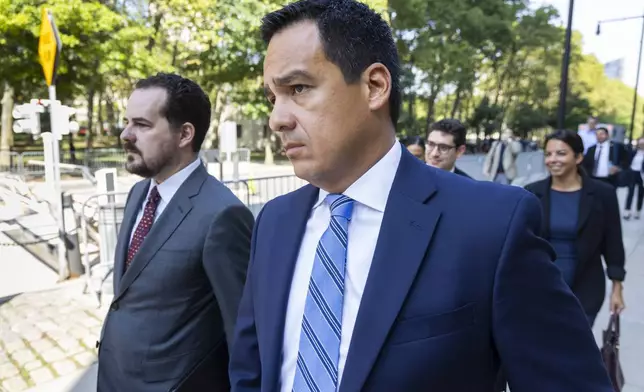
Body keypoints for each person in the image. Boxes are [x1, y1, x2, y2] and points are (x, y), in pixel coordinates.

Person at [229, 1, 613, 391]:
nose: (277, 119)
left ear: (374, 86)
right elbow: (250, 370)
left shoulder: (491, 226)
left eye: (298, 88)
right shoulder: (273, 222)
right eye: (272, 98)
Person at [97, 73, 254, 392]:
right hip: (113, 377)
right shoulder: (138, 194)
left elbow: (243, 331)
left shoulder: (222, 214)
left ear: (184, 134)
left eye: (141, 124)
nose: (125, 134)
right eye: (127, 122)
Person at [525, 130, 626, 327]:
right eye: (548, 154)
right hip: (540, 286)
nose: (553, 160)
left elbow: (613, 242)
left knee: (574, 350)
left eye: (561, 153)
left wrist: (617, 288)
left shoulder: (602, 194)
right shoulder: (532, 193)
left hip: (585, 288)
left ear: (578, 157)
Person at [623, 137, 644, 220]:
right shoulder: (633, 152)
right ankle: (627, 211)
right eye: (640, 143)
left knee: (640, 193)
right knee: (630, 192)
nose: (642, 145)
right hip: (633, 173)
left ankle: (638, 211)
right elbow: (627, 161)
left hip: (642, 175)